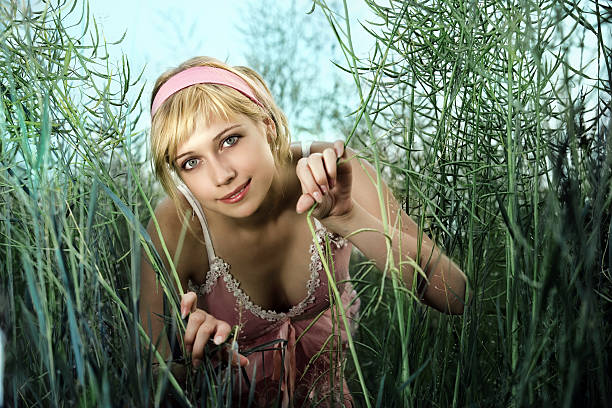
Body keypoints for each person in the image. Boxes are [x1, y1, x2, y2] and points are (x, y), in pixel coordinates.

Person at [139, 56, 467, 407]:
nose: (221, 175)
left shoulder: (334, 171)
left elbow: (455, 294)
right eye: (191, 162)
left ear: (265, 124)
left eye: (230, 140)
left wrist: (350, 218)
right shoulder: (177, 224)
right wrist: (192, 362)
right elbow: (148, 379)